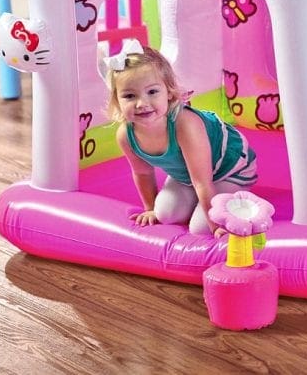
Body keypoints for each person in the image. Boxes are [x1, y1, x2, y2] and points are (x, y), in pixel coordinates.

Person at [104, 39, 257, 238]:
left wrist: (215, 226)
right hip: (189, 177)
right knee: (164, 214)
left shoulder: (185, 125)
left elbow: (202, 181)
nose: (142, 103)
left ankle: (240, 196)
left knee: (200, 229)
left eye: (152, 92)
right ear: (117, 100)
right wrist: (150, 208)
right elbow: (142, 173)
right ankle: (196, 200)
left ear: (169, 92)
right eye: (129, 96)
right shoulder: (126, 135)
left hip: (230, 170)